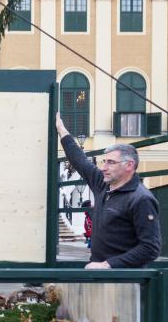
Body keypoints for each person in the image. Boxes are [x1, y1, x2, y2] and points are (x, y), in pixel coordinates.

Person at [55, 113, 161, 269]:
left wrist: (108, 264)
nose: (104, 167)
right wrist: (61, 130)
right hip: (100, 273)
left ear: (129, 165)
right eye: (104, 162)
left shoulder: (141, 199)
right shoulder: (102, 184)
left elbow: (151, 248)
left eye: (111, 162)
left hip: (125, 281)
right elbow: (80, 160)